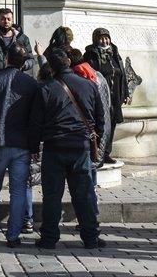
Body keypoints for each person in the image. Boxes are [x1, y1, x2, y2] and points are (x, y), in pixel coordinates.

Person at [29, 48, 104, 251]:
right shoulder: (89, 85)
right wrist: (96, 141)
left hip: (54, 147)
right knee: (84, 194)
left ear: (50, 67)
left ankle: (49, 238)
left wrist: (34, 146)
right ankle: (90, 237)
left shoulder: (45, 89)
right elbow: (100, 119)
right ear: (69, 62)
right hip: (81, 146)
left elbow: (36, 122)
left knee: (52, 195)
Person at [0, 43, 38, 246]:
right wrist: (35, 145)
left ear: (6, 58)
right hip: (21, 144)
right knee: (19, 190)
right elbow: (33, 118)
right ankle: (13, 235)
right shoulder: (30, 83)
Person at [83, 28, 130, 164]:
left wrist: (125, 93)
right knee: (101, 124)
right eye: (101, 38)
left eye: (106, 38)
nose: (104, 41)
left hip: (115, 97)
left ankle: (107, 152)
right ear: (96, 39)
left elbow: (122, 74)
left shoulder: (114, 53)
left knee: (112, 124)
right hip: (100, 97)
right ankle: (97, 152)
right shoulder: (90, 55)